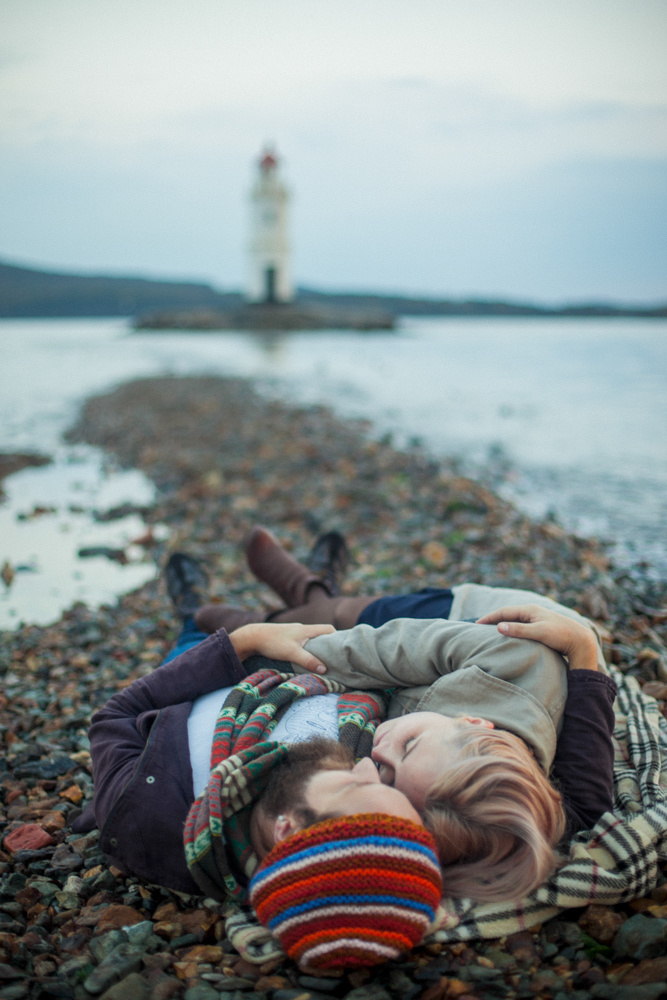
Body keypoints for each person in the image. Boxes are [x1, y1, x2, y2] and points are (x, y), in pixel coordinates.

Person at [192, 526, 618, 902]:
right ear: (473, 722)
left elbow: (580, 813)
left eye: (388, 778)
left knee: (295, 624)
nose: (379, 751)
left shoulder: (481, 808)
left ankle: (309, 589)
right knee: (334, 618)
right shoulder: (518, 664)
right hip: (462, 622)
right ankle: (301, 593)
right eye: (408, 747)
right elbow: (382, 649)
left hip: (427, 672)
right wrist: (262, 649)